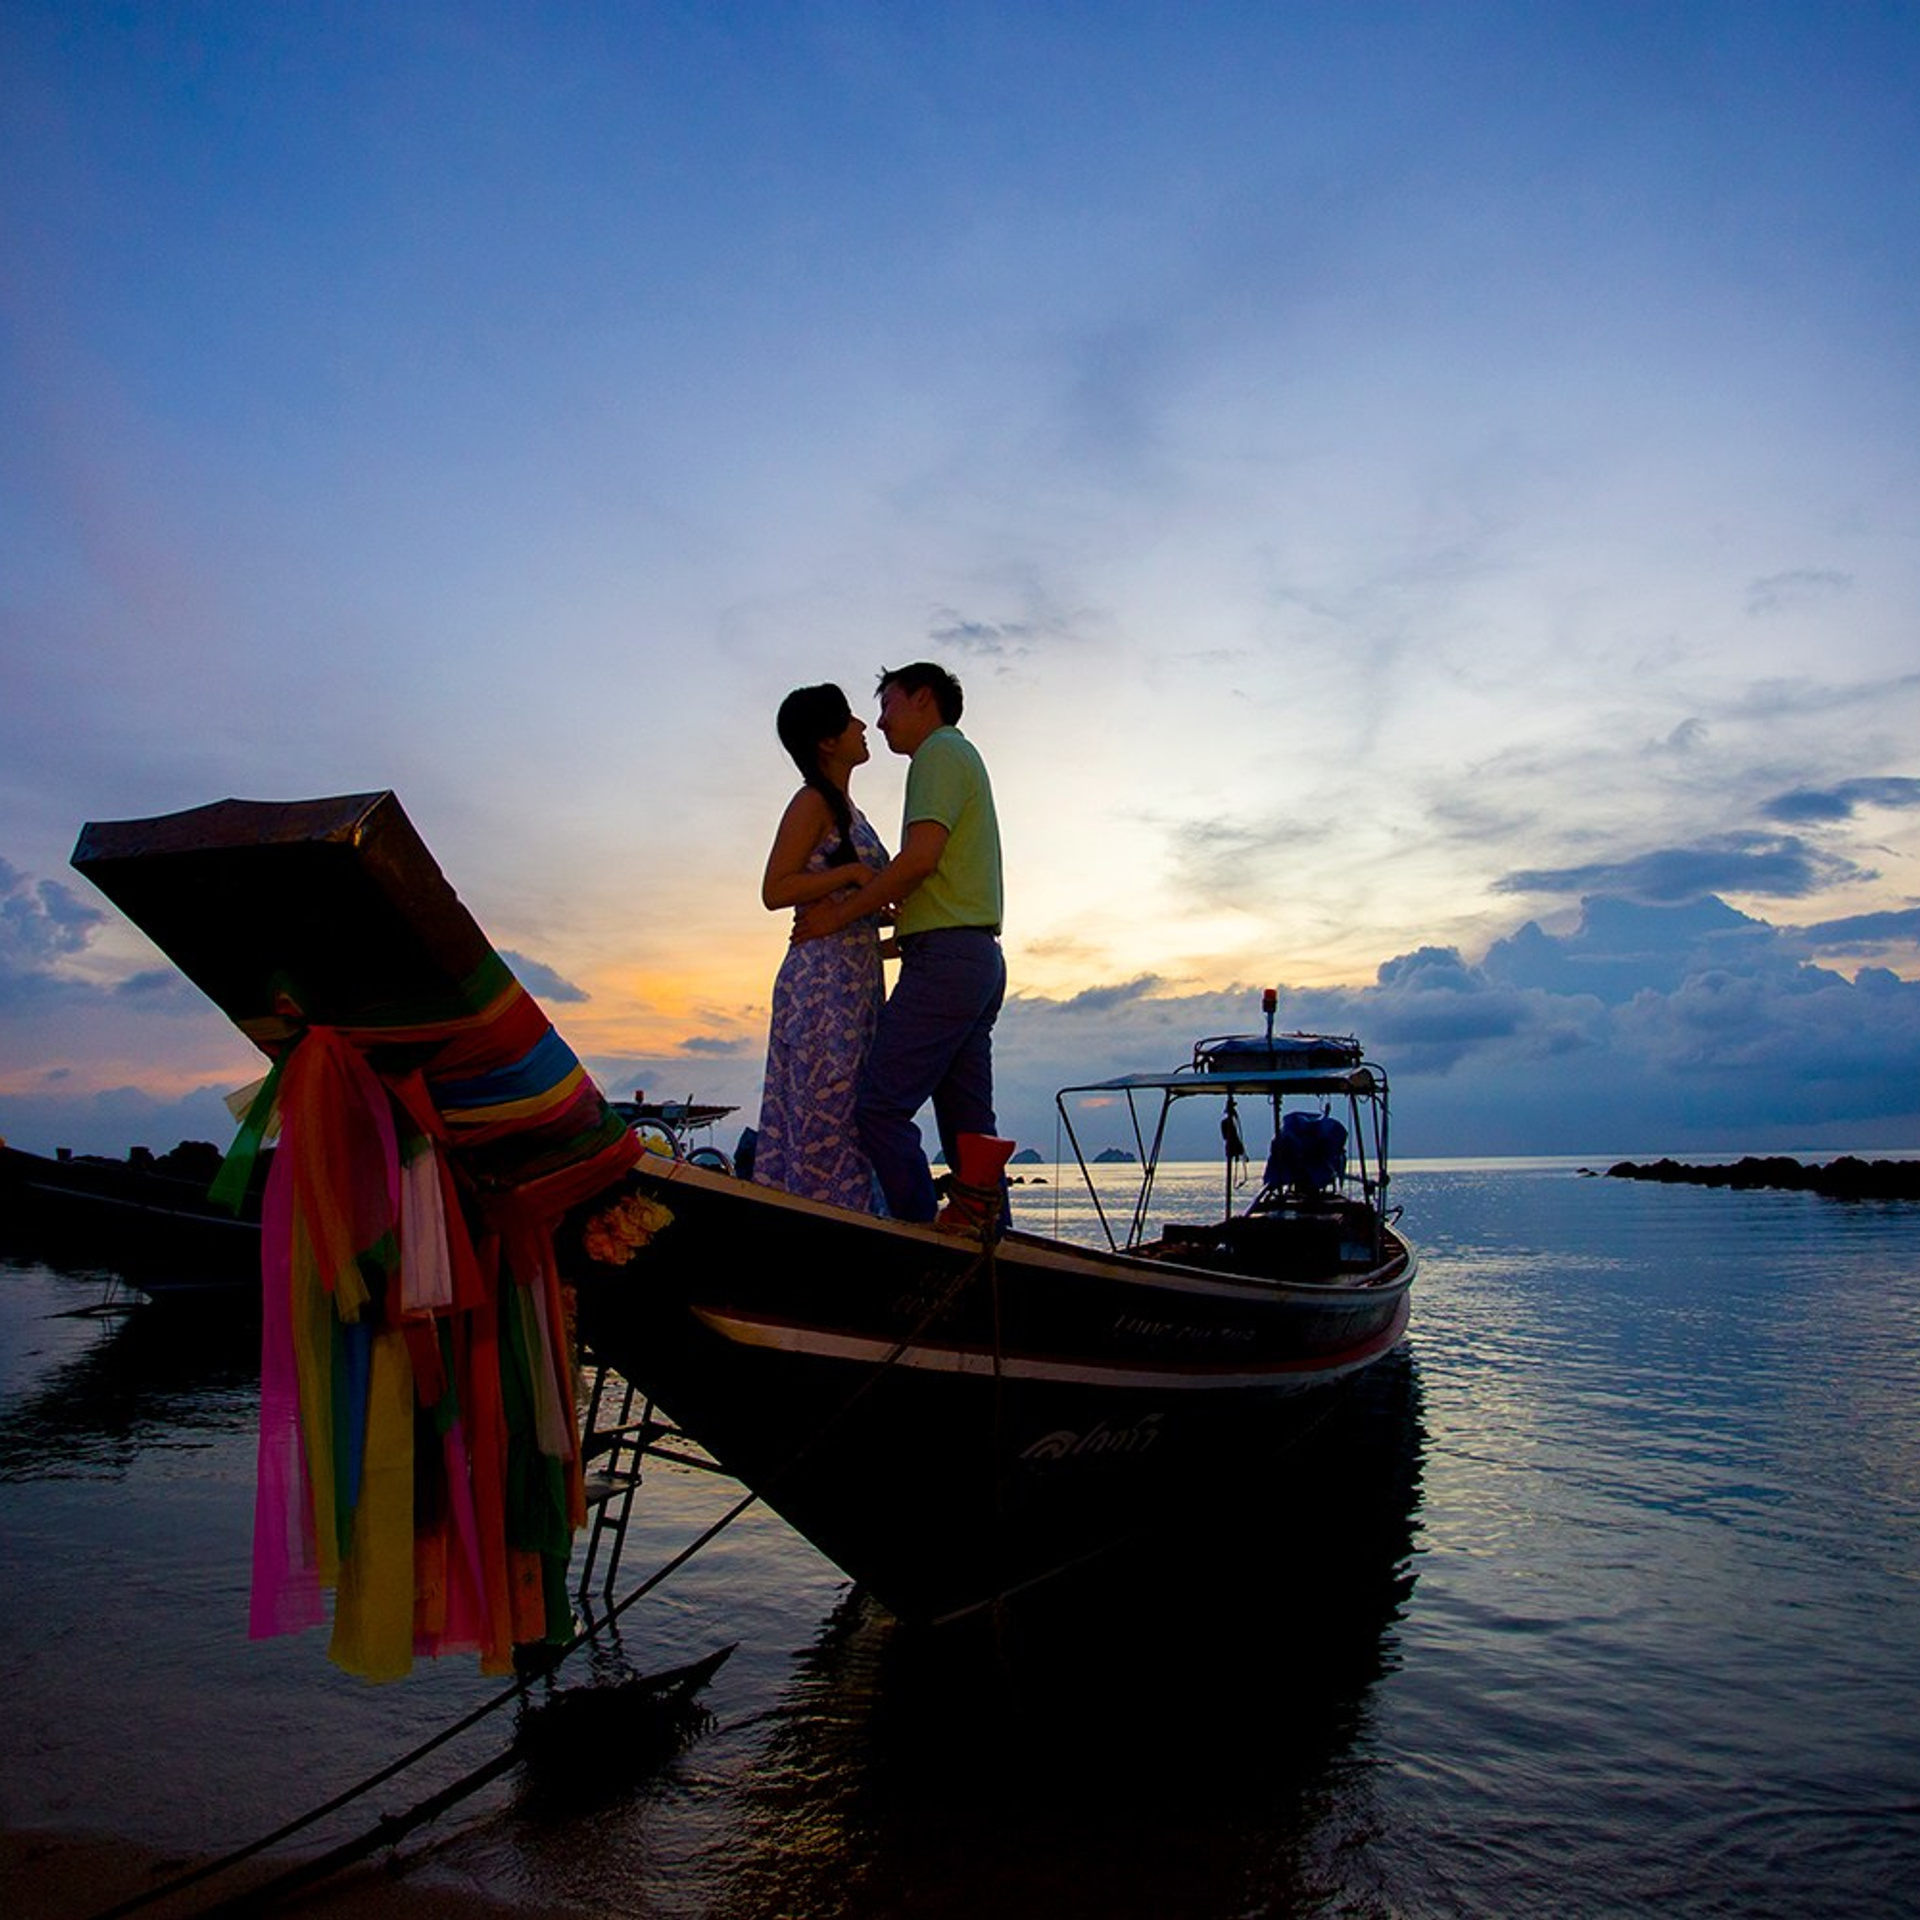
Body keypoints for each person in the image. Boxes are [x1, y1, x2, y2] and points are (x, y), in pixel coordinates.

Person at [794, 661, 1004, 1224]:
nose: (880, 722)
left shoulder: (936, 754)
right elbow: (935, 884)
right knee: (968, 1130)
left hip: (948, 961)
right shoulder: (963, 755)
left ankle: (918, 1235)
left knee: (881, 1109)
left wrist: (838, 916)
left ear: (921, 698)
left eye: (887, 705)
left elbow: (918, 861)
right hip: (976, 959)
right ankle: (993, 1246)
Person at [752, 683, 891, 1210]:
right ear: (826, 741)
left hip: (854, 981)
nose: (863, 726)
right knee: (823, 1116)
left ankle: (852, 1224)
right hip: (821, 987)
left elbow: (855, 910)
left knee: (851, 1113)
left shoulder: (848, 808)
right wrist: (856, 872)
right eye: (850, 719)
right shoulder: (812, 802)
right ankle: (822, 1233)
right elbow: (775, 889)